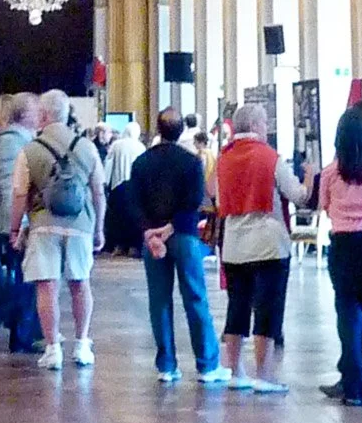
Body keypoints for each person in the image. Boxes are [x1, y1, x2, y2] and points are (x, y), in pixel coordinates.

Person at [9, 89, 105, 371]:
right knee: (80, 283)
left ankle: (53, 349)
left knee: (47, 285)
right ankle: (83, 344)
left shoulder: (29, 150)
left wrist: (15, 229)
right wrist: (98, 228)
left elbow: (19, 194)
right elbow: (98, 191)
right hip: (81, 225)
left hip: (43, 225)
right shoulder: (87, 147)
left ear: (44, 115)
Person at [130, 107, 227, 385]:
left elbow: (133, 202)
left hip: (152, 240)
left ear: (158, 130)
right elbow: (195, 200)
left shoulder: (142, 162)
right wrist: (171, 227)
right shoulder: (190, 162)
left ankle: (167, 365)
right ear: (181, 130)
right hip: (183, 235)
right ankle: (208, 365)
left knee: (159, 301)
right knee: (195, 296)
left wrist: (150, 232)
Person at [214, 100, 305, 393]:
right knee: (267, 308)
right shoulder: (270, 157)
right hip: (268, 243)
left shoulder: (223, 158)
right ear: (255, 126)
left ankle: (236, 370)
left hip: (234, 244)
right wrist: (312, 177)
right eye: (265, 122)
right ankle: (264, 376)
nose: (267, 127)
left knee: (237, 307)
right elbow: (297, 195)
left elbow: (213, 193)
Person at [315, 103, 362, 405]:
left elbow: (323, 206)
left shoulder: (330, 173)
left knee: (347, 315)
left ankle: (352, 386)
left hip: (344, 245)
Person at [0, 93, 41, 350]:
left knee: (25, 276)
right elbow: (10, 186)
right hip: (8, 221)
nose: (40, 115)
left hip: (9, 220)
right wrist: (20, 223)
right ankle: (10, 319)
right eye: (36, 111)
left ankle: (19, 328)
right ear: (24, 115)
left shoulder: (16, 139)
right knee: (25, 278)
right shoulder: (12, 141)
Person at [102, 116, 146, 257]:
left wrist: (106, 183)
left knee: (117, 219)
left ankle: (119, 246)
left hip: (117, 187)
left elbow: (109, 165)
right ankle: (133, 247)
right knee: (133, 219)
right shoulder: (141, 147)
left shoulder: (117, 145)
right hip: (135, 188)